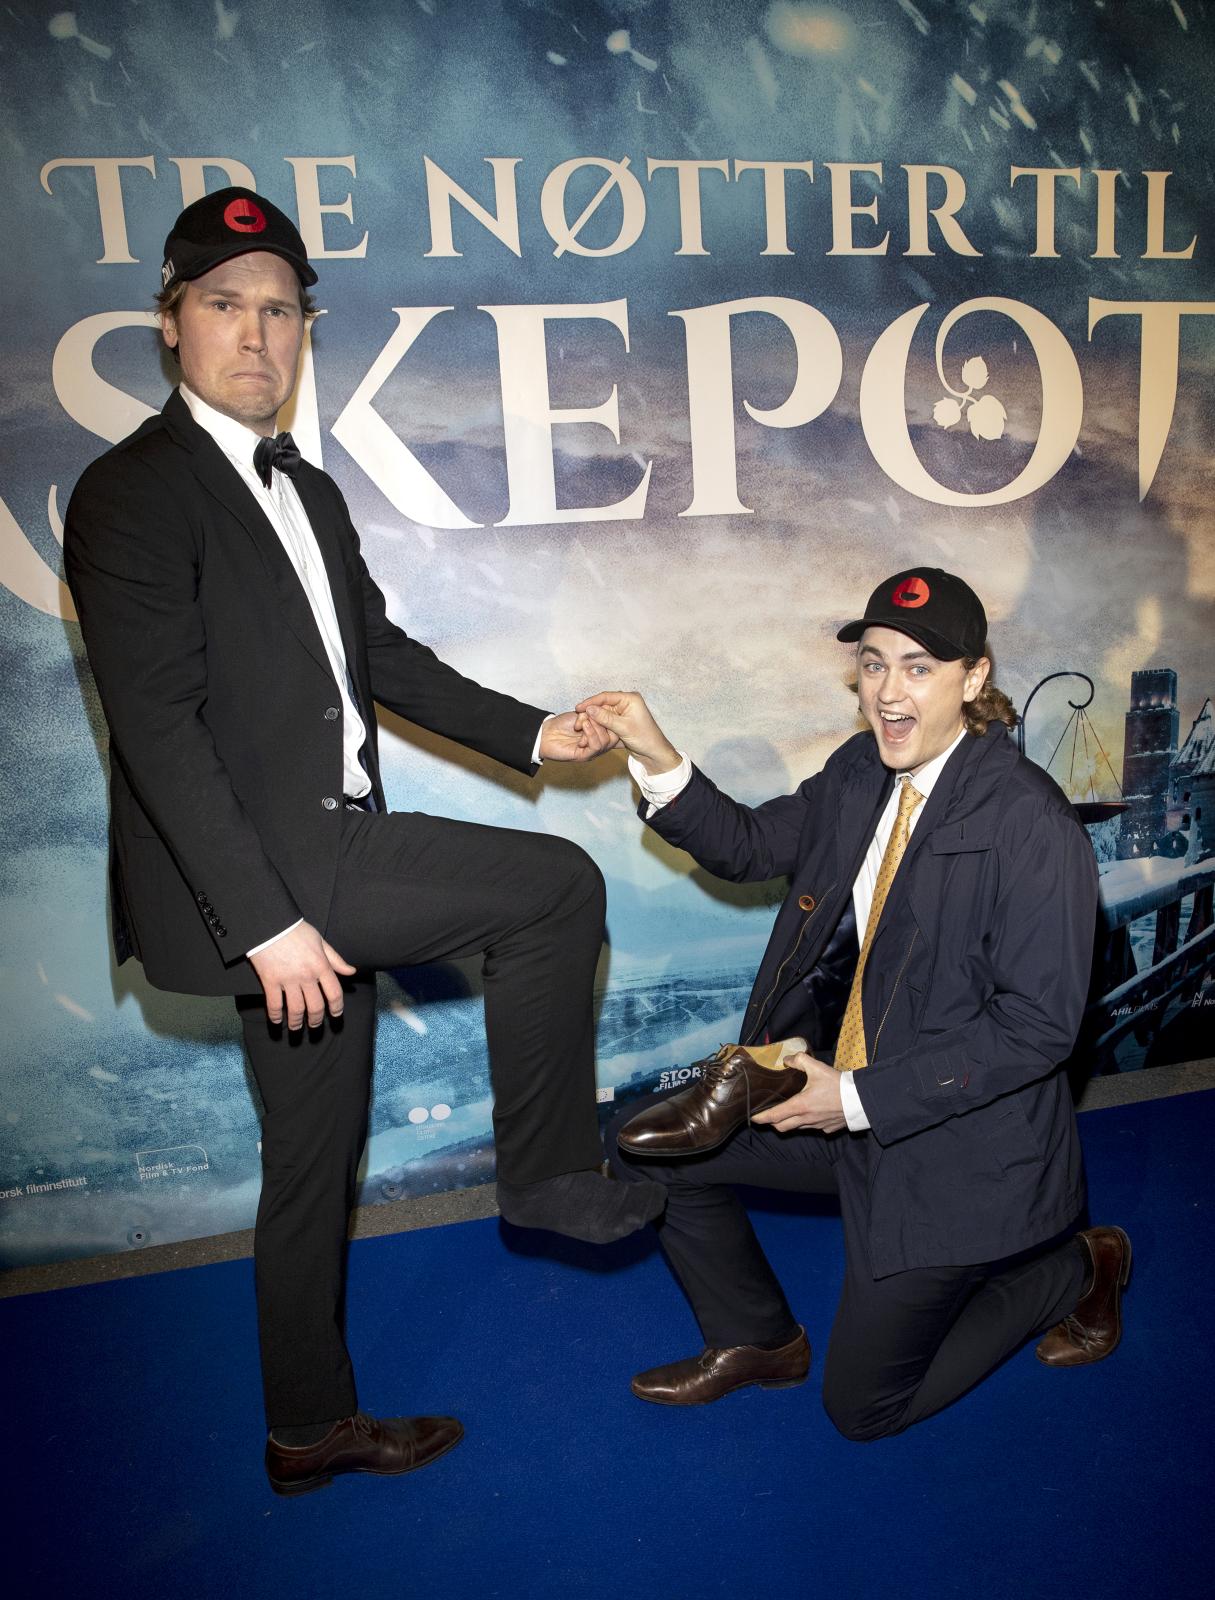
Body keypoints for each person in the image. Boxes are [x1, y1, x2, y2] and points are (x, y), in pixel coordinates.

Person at [63, 187, 661, 1496]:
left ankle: (306, 1428)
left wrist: (533, 731)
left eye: (280, 311)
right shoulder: (130, 493)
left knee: (309, 1162)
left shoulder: (310, 491)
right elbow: (157, 729)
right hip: (271, 878)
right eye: (226, 304)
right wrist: (266, 924)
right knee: (556, 886)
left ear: (303, 331)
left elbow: (378, 657)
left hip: (321, 855)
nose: (256, 334)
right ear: (170, 324)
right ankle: (549, 1177)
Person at [578, 568, 1130, 1440]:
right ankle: (757, 1340)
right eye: (873, 665)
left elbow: (1036, 1028)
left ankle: (1077, 1267)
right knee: (642, 1144)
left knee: (864, 1409)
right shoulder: (856, 771)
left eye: (918, 668)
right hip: (836, 1102)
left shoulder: (1031, 825)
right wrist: (653, 751)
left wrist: (857, 1098)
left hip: (949, 1145)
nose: (888, 692)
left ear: (973, 680)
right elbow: (748, 846)